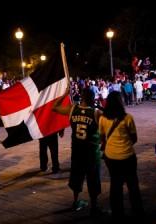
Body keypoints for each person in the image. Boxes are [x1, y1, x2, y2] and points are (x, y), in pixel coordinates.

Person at [53, 87, 103, 216]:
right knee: (93, 178)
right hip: (91, 152)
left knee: (76, 177)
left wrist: (64, 94)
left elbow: (55, 107)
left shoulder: (72, 109)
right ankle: (94, 206)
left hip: (77, 151)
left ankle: (75, 202)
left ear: (82, 97)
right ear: (92, 97)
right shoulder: (96, 113)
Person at [99, 91, 144, 221]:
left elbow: (102, 138)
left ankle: (117, 214)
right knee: (133, 185)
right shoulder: (128, 118)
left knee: (115, 185)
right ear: (120, 102)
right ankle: (138, 211)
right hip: (128, 156)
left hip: (111, 157)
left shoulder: (102, 118)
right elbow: (134, 138)